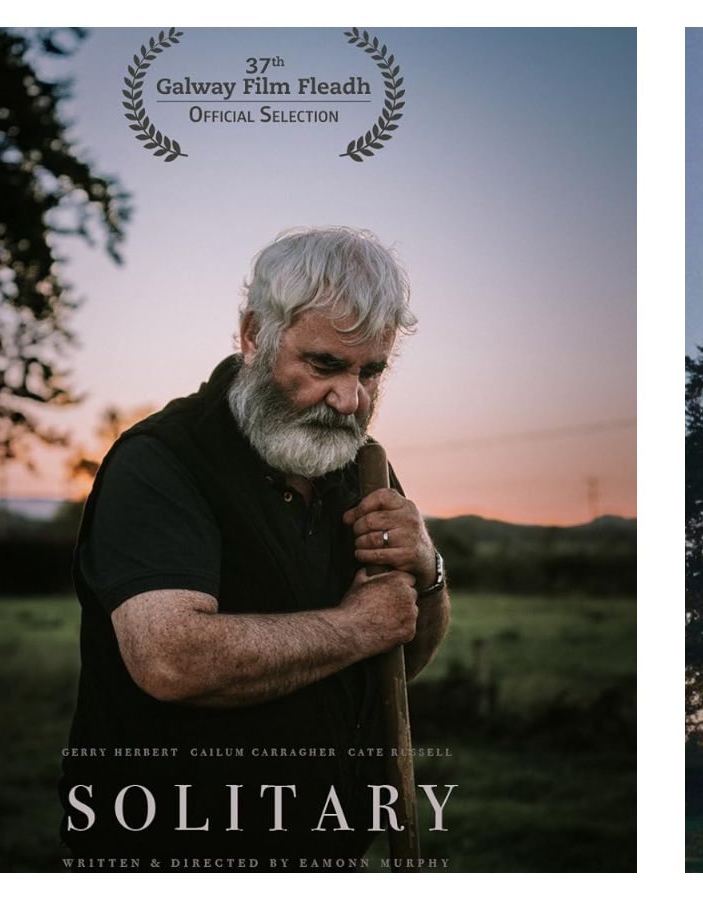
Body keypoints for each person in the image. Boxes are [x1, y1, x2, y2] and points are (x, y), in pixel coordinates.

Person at [58, 227, 450, 866]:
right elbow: (170, 659)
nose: (350, 399)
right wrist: (355, 627)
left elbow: (400, 655)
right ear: (252, 335)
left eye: (370, 371)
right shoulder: (161, 462)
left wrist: (426, 567)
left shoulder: (360, 465)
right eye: (323, 364)